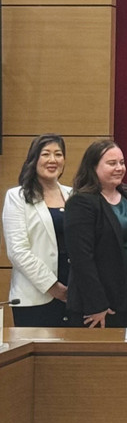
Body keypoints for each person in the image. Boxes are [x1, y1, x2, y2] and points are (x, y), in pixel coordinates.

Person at [64, 140, 127, 328]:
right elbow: (82, 259)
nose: (119, 168)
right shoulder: (80, 203)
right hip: (100, 305)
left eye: (122, 162)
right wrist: (97, 304)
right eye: (112, 163)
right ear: (93, 167)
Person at [2, 134, 71, 326]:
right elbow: (18, 251)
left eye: (58, 154)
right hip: (35, 296)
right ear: (34, 159)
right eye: (46, 154)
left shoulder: (74, 194)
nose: (53, 160)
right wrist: (53, 287)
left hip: (73, 294)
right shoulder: (17, 196)